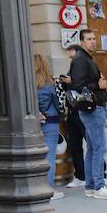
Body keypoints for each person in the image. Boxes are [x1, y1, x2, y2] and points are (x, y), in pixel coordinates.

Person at [68, 28, 107, 199]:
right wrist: (98, 85)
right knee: (99, 148)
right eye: (89, 39)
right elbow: (78, 85)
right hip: (92, 109)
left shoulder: (86, 58)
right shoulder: (81, 60)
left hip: (92, 108)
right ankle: (98, 186)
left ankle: (90, 185)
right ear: (81, 42)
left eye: (94, 38)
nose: (93, 41)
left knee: (93, 149)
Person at [33, 55, 63, 199]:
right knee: (49, 157)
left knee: (37, 158)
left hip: (34, 123)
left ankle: (38, 188)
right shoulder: (50, 83)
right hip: (51, 121)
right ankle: (49, 189)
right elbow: (58, 103)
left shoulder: (29, 84)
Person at [60, 44, 87, 188]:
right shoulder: (71, 69)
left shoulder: (84, 67)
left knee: (93, 144)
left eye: (71, 53)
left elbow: (87, 86)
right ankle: (80, 176)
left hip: (84, 111)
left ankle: (101, 174)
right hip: (72, 112)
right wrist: (64, 83)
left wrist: (73, 81)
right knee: (75, 146)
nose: (70, 57)